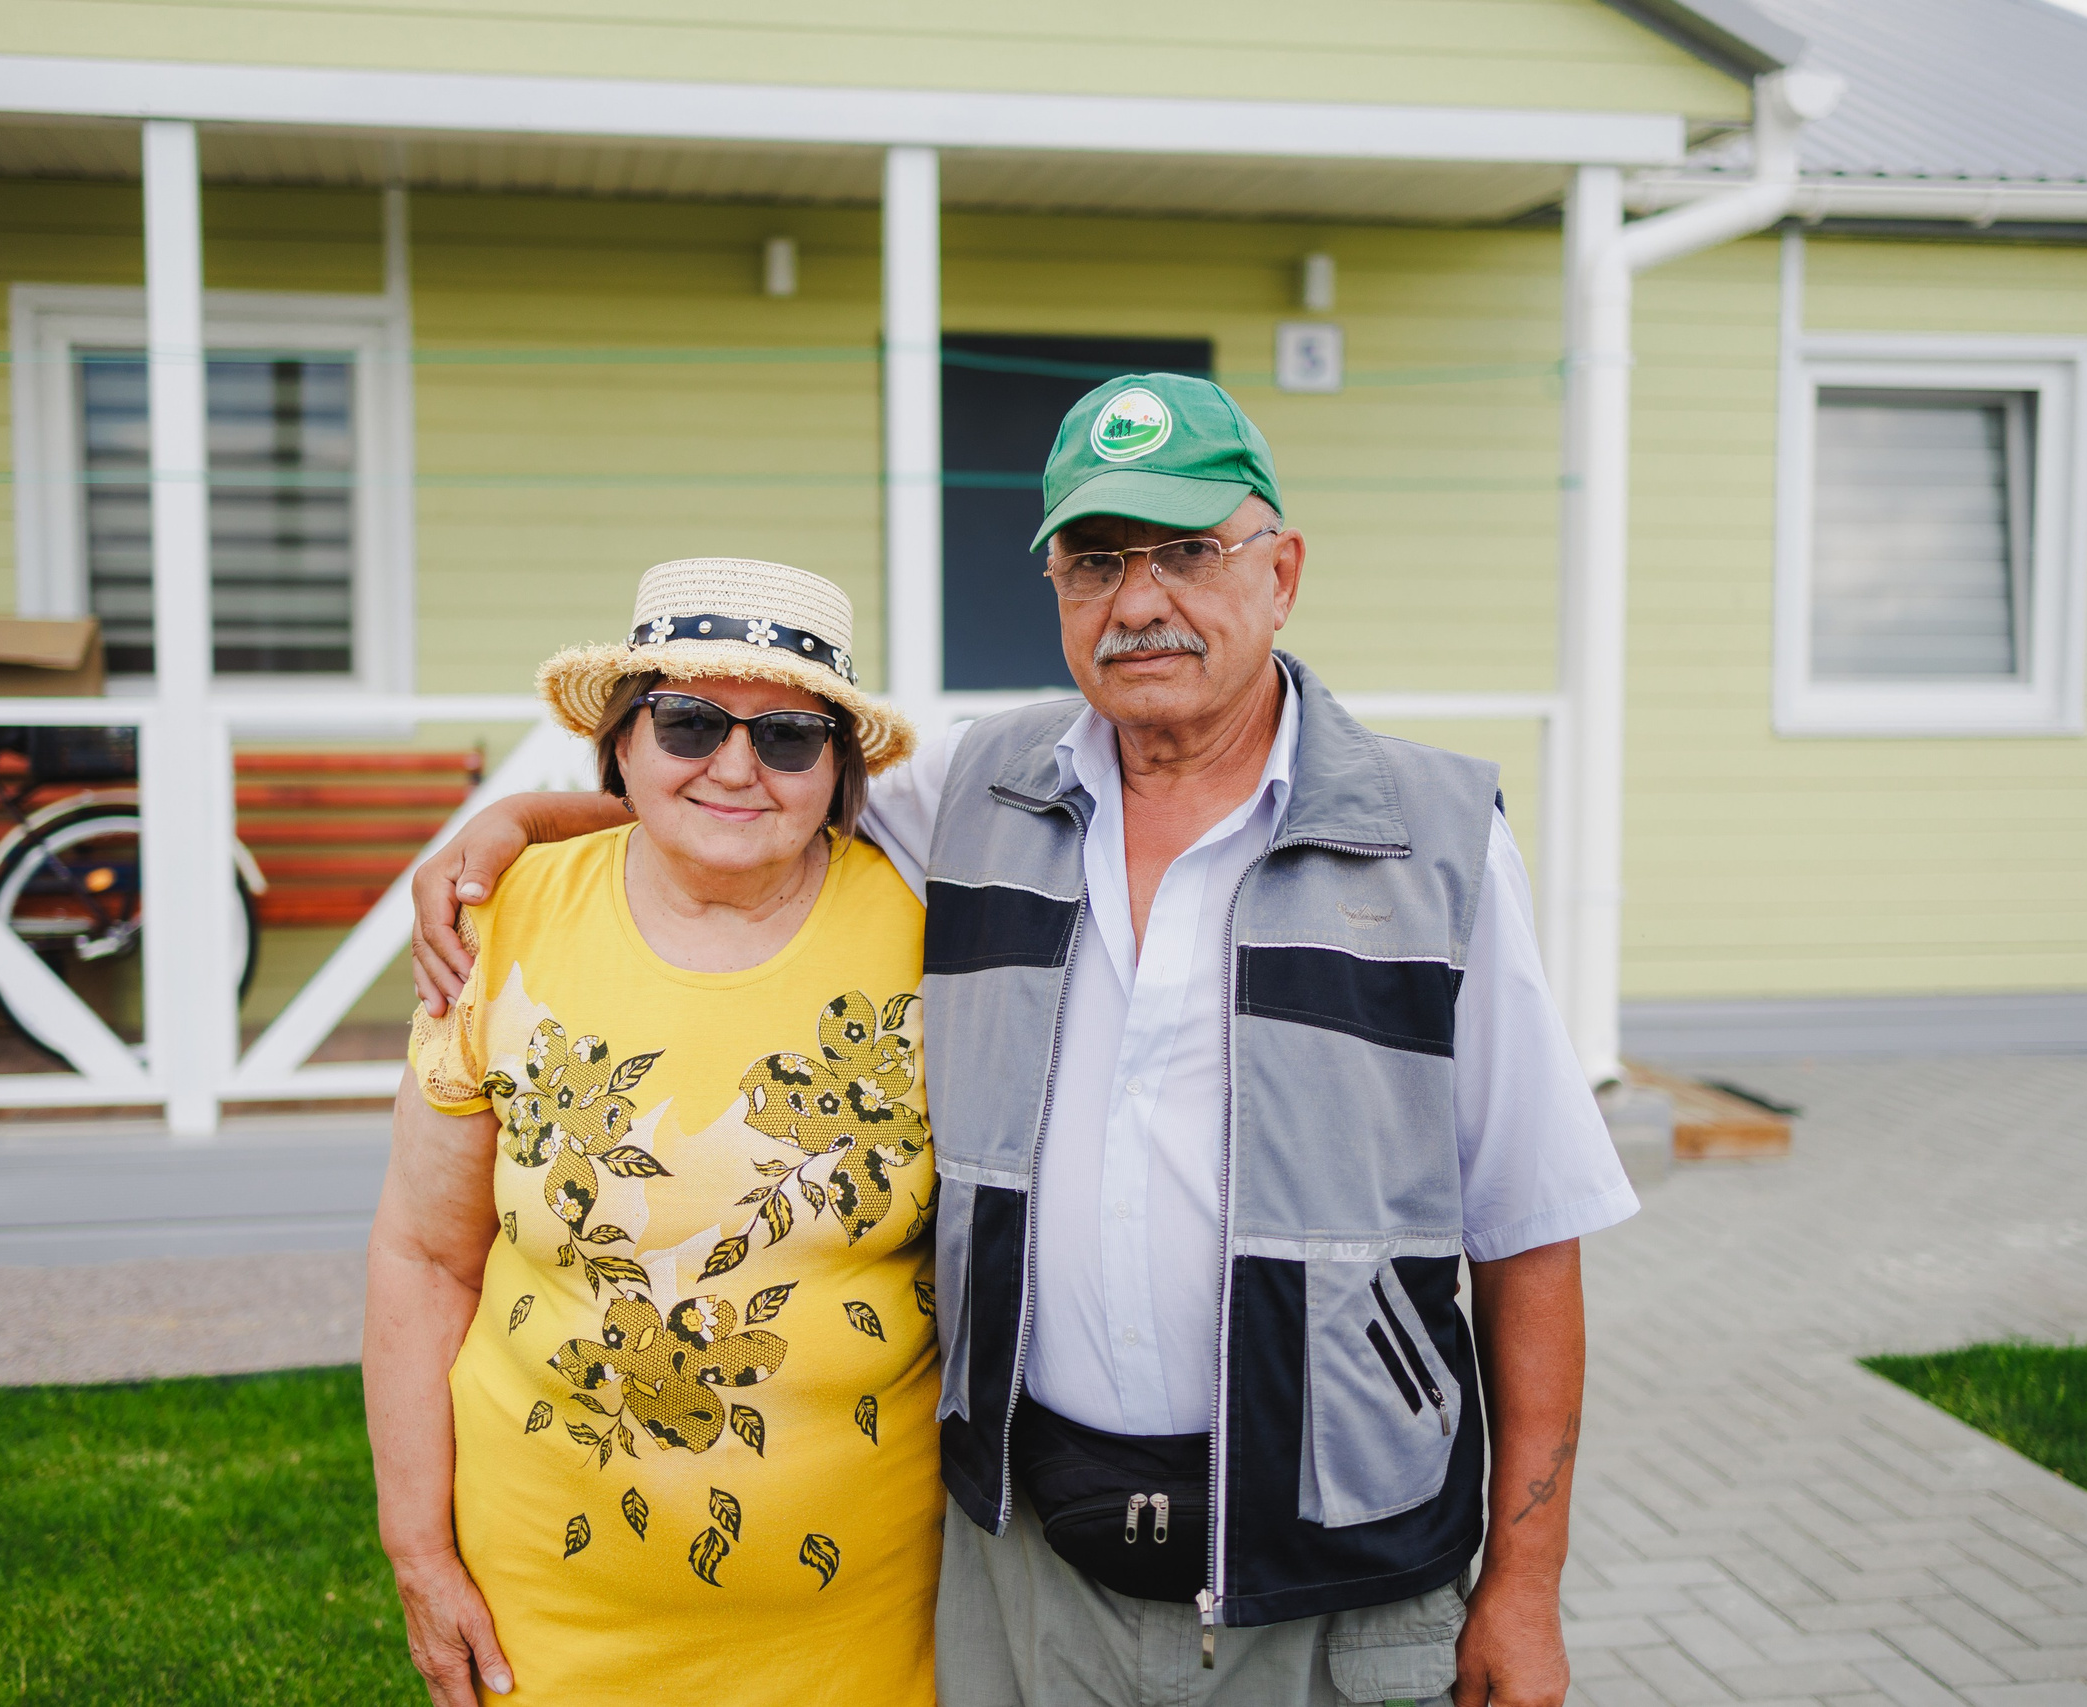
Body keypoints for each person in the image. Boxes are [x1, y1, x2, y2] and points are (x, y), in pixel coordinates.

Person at [407, 374, 1639, 1707]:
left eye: (1189, 551)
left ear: (1280, 572)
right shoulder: (984, 796)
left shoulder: (1436, 840)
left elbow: (1528, 1230)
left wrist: (1524, 1582)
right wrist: (526, 820)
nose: (1143, 598)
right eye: (1097, 561)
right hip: (1031, 1569)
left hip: (1331, 1585)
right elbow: (737, 798)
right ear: (1057, 591)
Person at [362, 557, 944, 1707]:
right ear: (622, 743)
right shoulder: (505, 920)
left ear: (835, 770)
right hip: (548, 1608)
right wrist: (417, 1553)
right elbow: (423, 1259)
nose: (735, 766)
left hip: (865, 1616)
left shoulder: (934, 931)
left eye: (786, 736)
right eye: (687, 723)